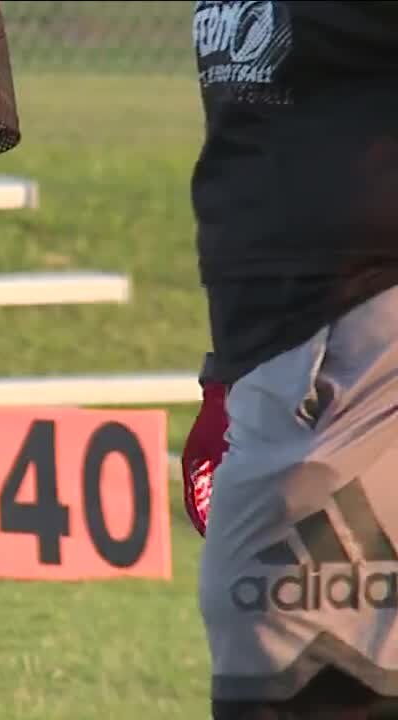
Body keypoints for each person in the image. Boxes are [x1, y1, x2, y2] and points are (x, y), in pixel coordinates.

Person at [181, 2, 398, 718]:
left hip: (357, 337)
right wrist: (229, 374)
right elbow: (261, 154)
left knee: (291, 678)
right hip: (275, 353)